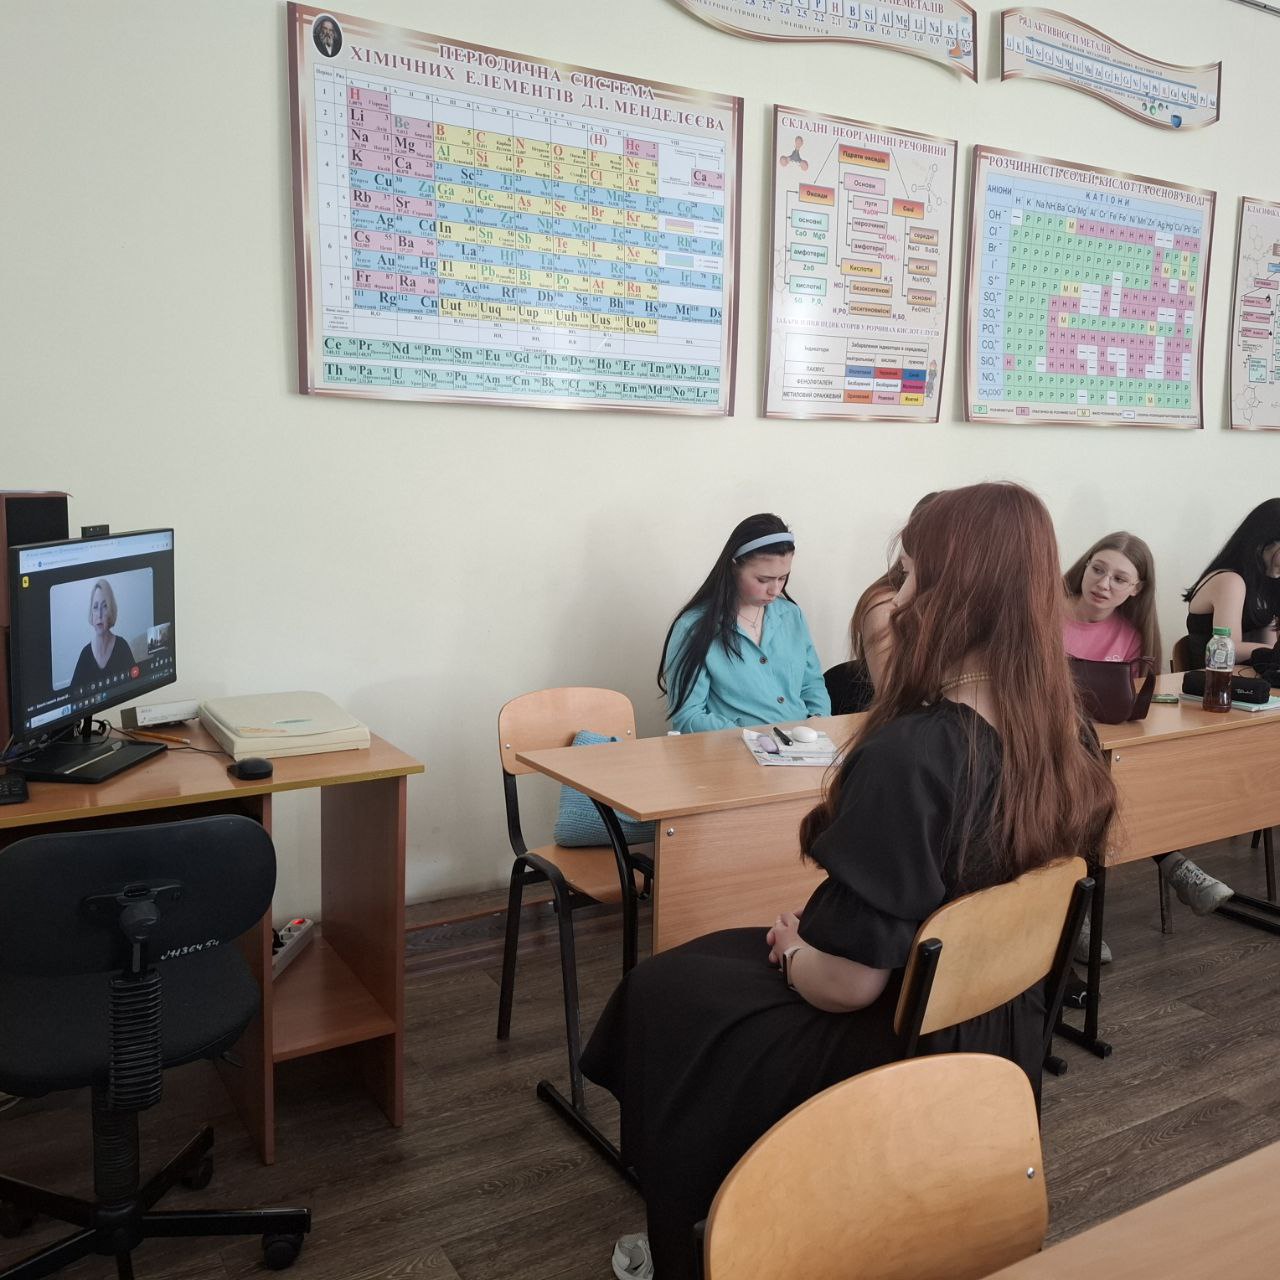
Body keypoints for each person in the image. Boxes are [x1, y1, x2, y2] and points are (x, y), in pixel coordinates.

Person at [590, 483, 1116, 1280]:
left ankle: (708, 1231)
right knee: (698, 973)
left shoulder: (914, 755)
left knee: (663, 993)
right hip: (1001, 1024)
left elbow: (845, 986)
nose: (895, 600)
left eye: (909, 576)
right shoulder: (1067, 732)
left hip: (892, 1033)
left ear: (954, 595)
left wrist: (796, 948)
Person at [1062, 534, 1230, 962]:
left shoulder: (1130, 637)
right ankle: (1171, 863)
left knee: (1119, 775)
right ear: (1085, 566)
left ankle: (1076, 911)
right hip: (1040, 744)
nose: (1104, 584)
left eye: (1120, 579)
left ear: (1136, 589)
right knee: (1094, 783)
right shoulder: (1042, 613)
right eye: (1098, 569)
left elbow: (1125, 706)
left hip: (1095, 746)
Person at [657, 514, 830, 733]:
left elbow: (812, 684)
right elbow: (687, 718)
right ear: (734, 567)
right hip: (734, 750)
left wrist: (817, 723)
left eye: (783, 578)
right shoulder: (693, 628)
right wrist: (749, 737)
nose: (775, 590)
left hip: (801, 745)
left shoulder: (792, 615)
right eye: (763, 580)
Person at [1182, 499, 1280, 669]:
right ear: (1265, 543)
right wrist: (1274, 653)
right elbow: (1228, 648)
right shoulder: (1229, 581)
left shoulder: (1266, 584)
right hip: (1212, 680)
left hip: (1246, 678)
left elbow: (1269, 648)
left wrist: (1274, 653)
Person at [70, 579, 135, 690]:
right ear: (91, 612)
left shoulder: (122, 646)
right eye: (95, 607)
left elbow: (135, 683)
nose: (99, 615)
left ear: (110, 611)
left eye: (104, 606)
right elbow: (73, 695)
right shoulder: (85, 654)